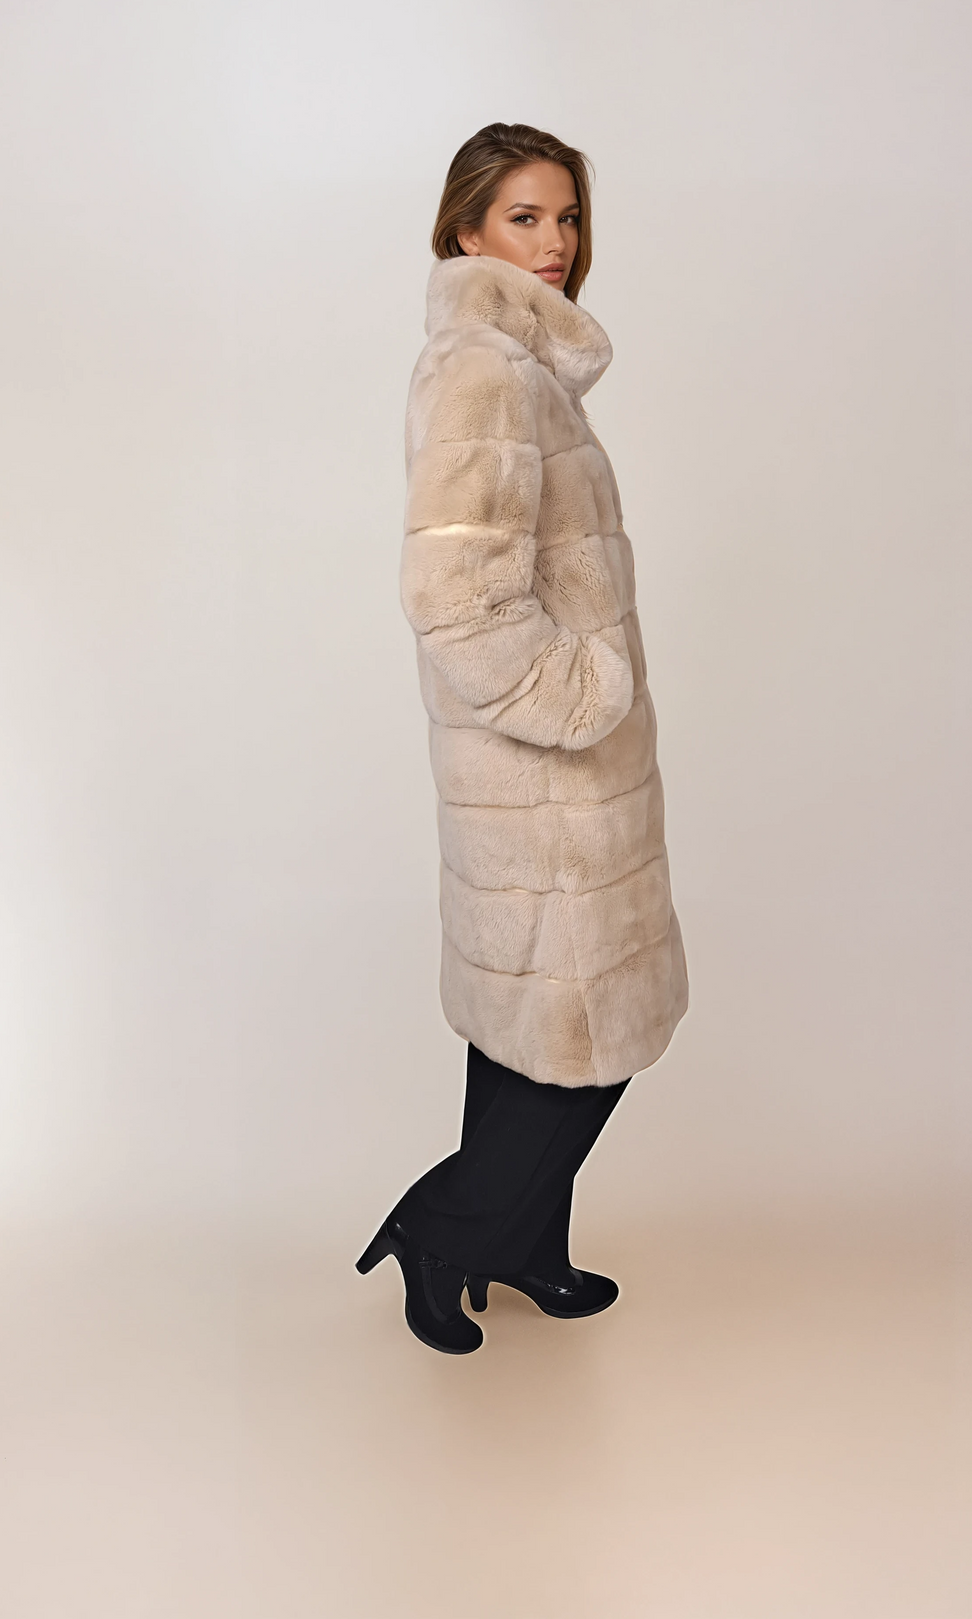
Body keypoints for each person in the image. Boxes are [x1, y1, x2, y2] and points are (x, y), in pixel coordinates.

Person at [357, 122, 688, 1353]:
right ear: (466, 233)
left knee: (530, 1028)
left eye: (567, 217)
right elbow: (455, 594)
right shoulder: (487, 373)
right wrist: (578, 696)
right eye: (525, 219)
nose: (555, 243)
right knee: (586, 1036)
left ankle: (525, 1248)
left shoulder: (515, 365)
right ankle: (442, 1229)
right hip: (544, 776)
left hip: (551, 775)